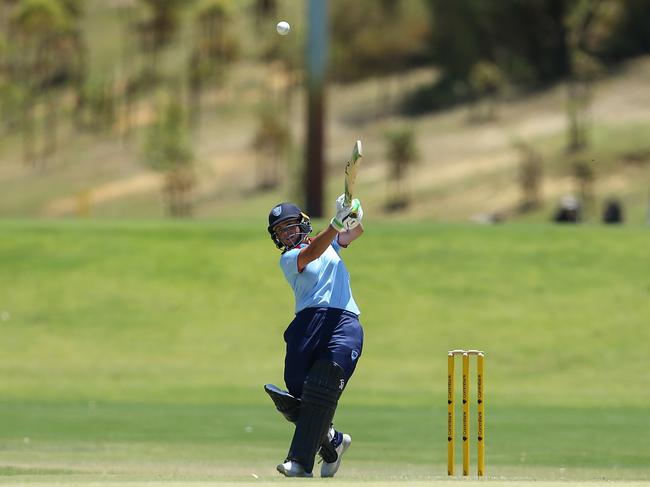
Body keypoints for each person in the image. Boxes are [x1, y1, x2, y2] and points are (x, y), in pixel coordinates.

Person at [264, 195, 365, 478]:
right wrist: (335, 222)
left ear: (303, 224)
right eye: (281, 231)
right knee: (300, 391)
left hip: (344, 323)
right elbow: (312, 253)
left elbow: (355, 231)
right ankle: (331, 441)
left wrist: (353, 210)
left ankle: (299, 463)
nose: (286, 233)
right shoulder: (289, 258)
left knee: (325, 383)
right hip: (308, 324)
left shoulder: (330, 242)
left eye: (290, 226)